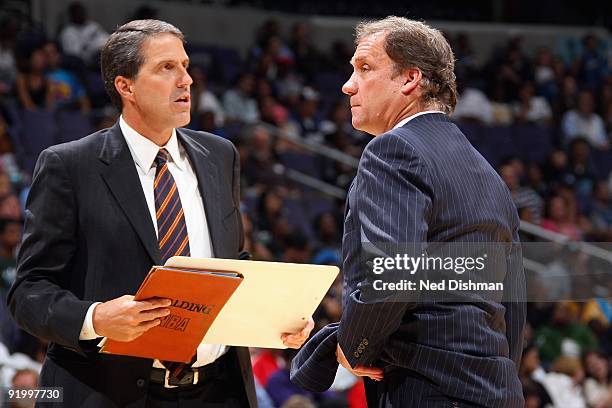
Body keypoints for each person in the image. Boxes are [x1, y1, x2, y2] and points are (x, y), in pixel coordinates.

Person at [7, 19, 312, 407]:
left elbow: (233, 265)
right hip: (110, 391)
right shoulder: (70, 166)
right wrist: (94, 318)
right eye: (166, 68)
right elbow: (28, 292)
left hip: (217, 389)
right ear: (125, 85)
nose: (185, 80)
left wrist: (276, 316)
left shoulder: (220, 155)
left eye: (184, 66)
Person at [291, 16, 526, 407]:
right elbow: (512, 301)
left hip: (425, 387)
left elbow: (395, 269)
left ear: (410, 80)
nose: (348, 85)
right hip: (495, 390)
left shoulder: (393, 151)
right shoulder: (487, 173)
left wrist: (355, 347)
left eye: (365, 68)